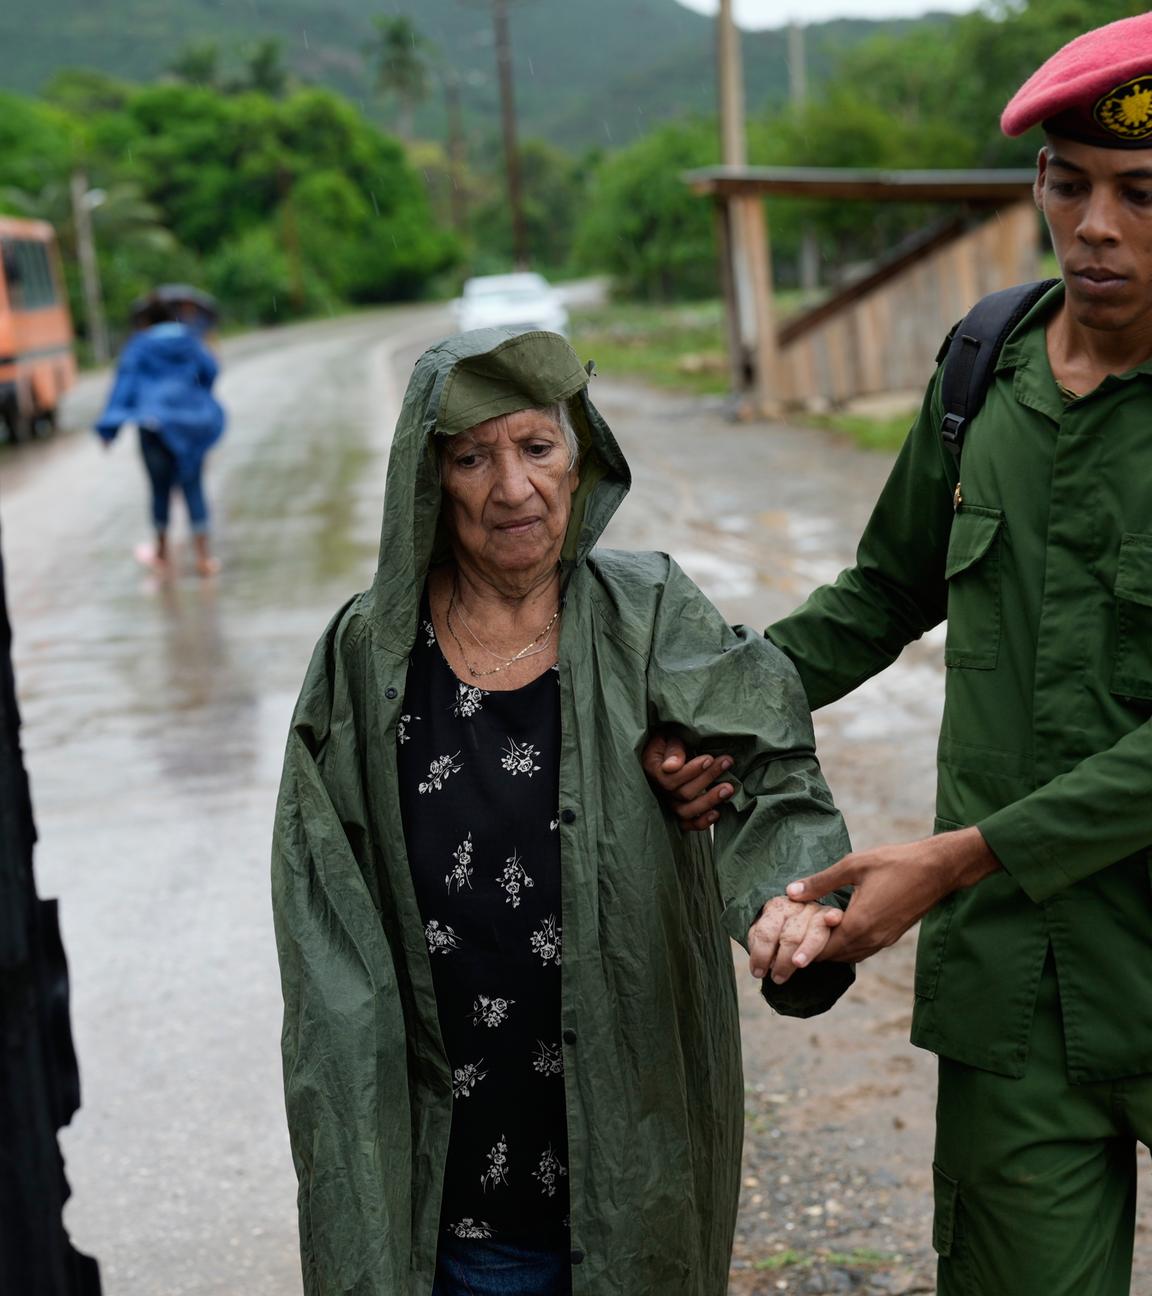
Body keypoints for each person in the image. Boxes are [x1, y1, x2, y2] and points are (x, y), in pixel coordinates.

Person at [646, 13, 1152, 1295]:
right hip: (1020, 995)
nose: (1096, 226)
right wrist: (710, 719)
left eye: (1143, 194)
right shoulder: (986, 372)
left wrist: (955, 859)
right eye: (1068, 184)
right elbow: (880, 593)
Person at [271, 326, 855, 1296]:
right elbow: (321, 917)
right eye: (472, 457)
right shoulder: (363, 658)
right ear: (428, 481)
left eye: (537, 448)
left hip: (627, 1155)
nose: (513, 489)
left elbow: (767, 766)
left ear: (580, 465)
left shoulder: (653, 612)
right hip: (441, 1189)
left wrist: (789, 905)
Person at [94, 297, 225, 576]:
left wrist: (109, 429)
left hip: (154, 426)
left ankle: (162, 555)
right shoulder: (190, 340)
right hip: (191, 426)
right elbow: (211, 372)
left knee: (159, 490)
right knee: (193, 486)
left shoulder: (139, 346)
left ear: (145, 322)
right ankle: (203, 557)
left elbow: (124, 386)